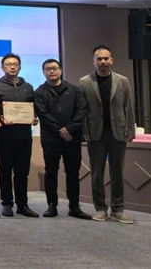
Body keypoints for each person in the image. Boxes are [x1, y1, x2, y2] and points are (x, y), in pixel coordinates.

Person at [79, 45, 135, 224]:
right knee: (97, 173)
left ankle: (118, 210)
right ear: (93, 61)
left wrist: (130, 130)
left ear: (111, 60)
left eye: (106, 58)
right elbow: (82, 109)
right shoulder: (84, 82)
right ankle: (101, 209)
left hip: (118, 133)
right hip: (95, 134)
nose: (103, 62)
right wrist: (84, 131)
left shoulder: (122, 81)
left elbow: (128, 106)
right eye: (99, 59)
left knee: (117, 172)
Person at [34, 58, 91, 219]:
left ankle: (74, 207)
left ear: (60, 70)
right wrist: (60, 130)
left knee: (73, 172)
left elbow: (82, 110)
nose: (51, 71)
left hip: (72, 138)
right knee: (51, 172)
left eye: (54, 68)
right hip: (51, 138)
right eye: (47, 69)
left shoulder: (74, 90)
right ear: (43, 72)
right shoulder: (39, 92)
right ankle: (52, 205)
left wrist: (69, 129)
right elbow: (43, 114)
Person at [0, 53, 39, 218]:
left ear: (20, 67)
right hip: (4, 135)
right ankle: (6, 203)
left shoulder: (28, 87)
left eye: (15, 64)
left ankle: (22, 204)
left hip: (24, 136)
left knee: (22, 172)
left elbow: (33, 108)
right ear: (2, 67)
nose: (12, 67)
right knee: (5, 171)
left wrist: (34, 118)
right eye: (8, 64)